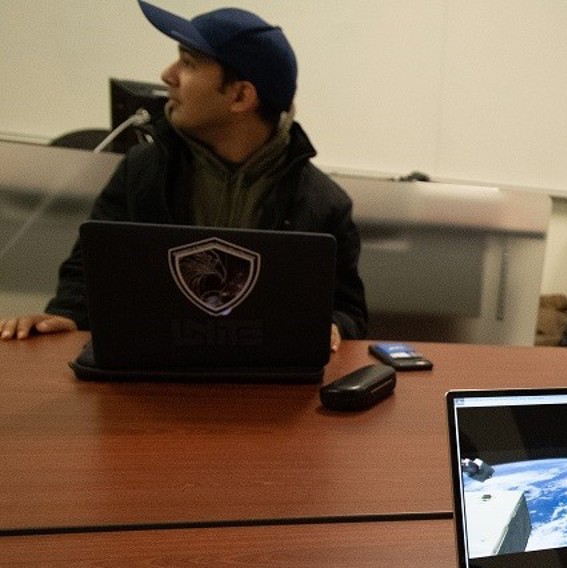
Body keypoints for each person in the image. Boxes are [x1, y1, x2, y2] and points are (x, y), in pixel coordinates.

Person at [0, 2, 367, 350]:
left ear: (240, 97)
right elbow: (88, 274)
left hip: (266, 394)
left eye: (188, 64)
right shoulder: (142, 169)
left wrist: (335, 327)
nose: (167, 75)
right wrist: (66, 317)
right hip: (149, 383)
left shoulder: (324, 203)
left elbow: (348, 313)